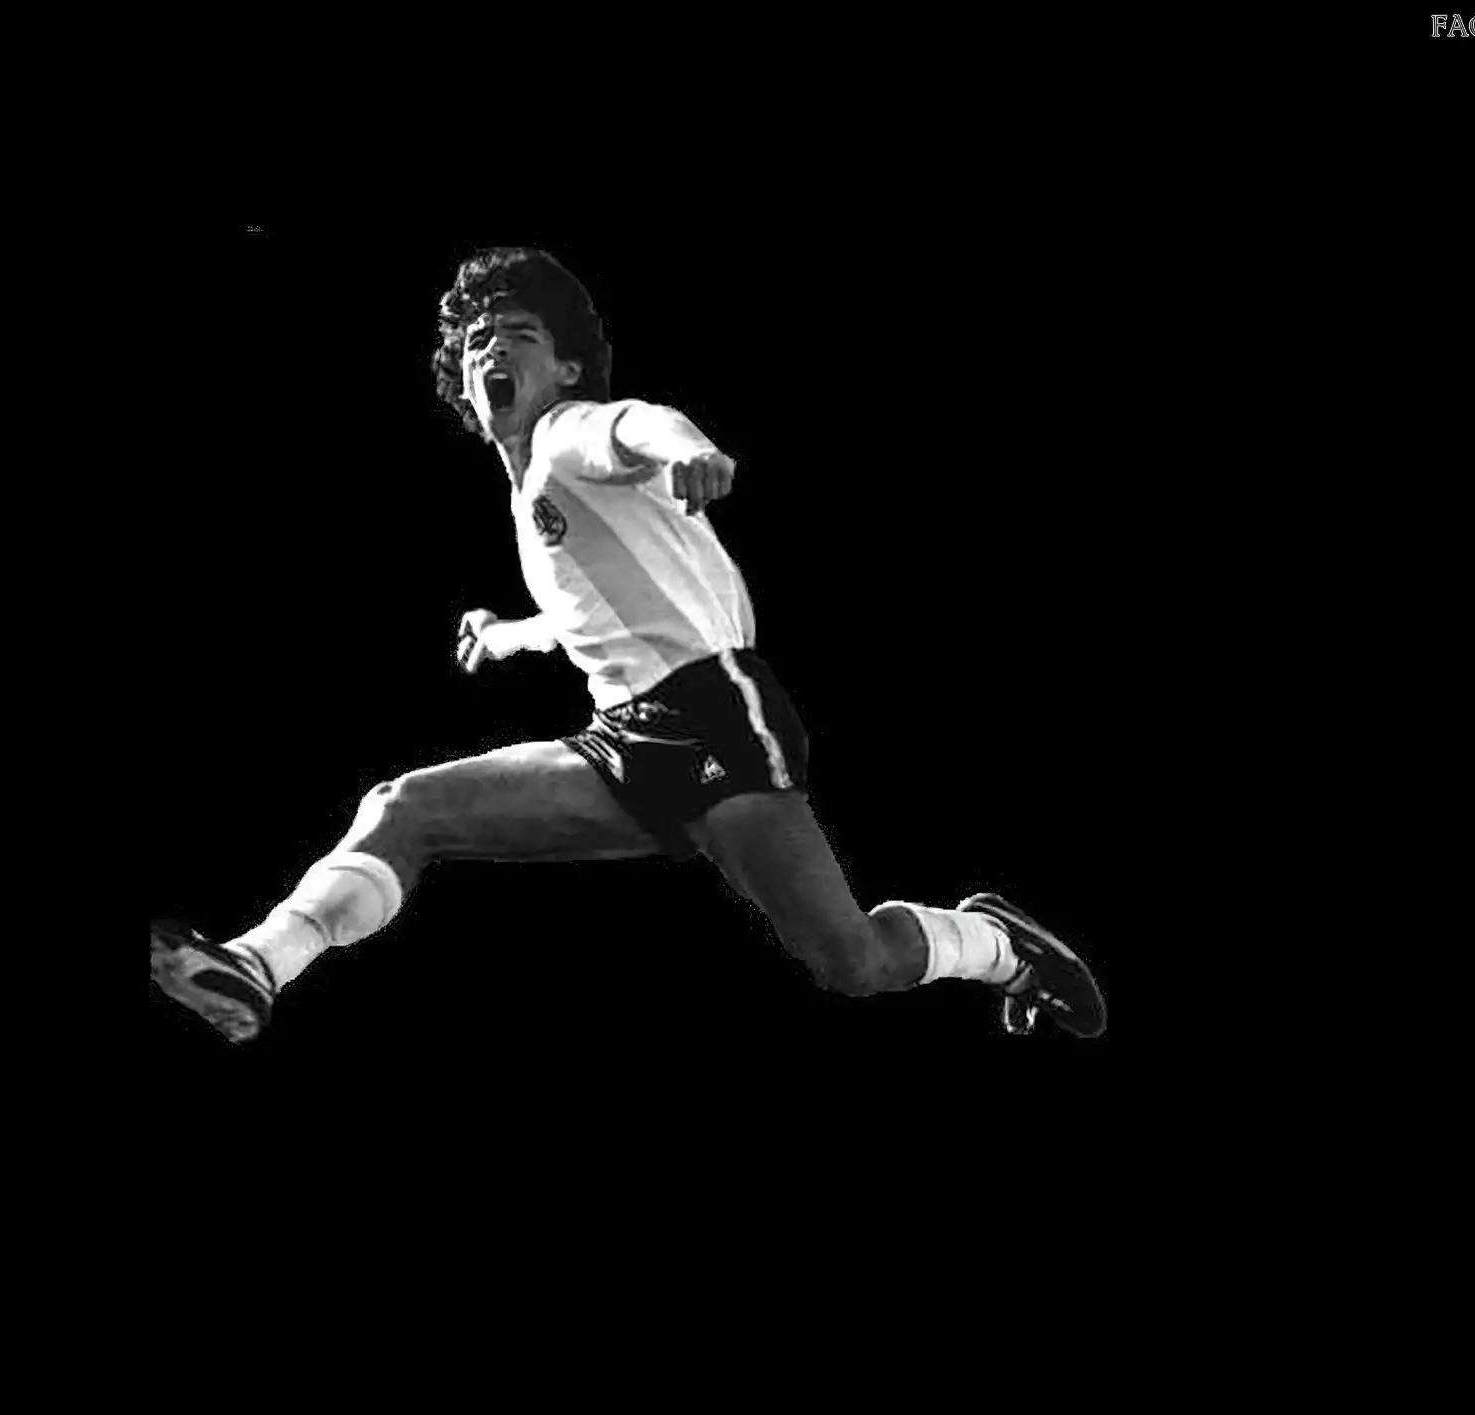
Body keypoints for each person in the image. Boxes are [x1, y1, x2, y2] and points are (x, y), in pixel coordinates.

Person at [150, 246, 1105, 1044]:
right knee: (407, 808)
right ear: (465, 387)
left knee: (850, 961)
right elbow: (583, 618)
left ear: (565, 369)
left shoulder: (568, 433)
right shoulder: (532, 499)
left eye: (518, 335)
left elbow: (637, 425)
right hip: (624, 743)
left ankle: (997, 945)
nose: (492, 347)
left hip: (715, 718)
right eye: (479, 340)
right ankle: (258, 965)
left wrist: (689, 449)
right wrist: (507, 636)